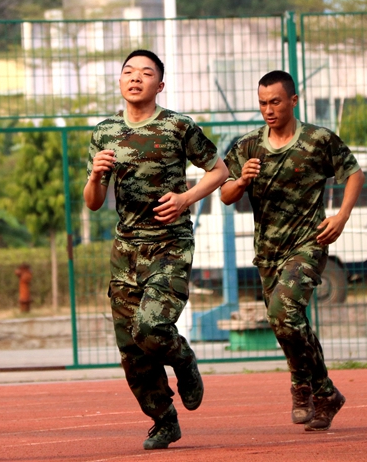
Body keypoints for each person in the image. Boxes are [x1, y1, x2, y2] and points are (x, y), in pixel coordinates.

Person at [84, 49, 229, 450]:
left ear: (159, 85)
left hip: (169, 245)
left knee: (151, 328)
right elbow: (93, 201)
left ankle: (183, 359)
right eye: (128, 72)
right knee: (132, 349)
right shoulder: (104, 133)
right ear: (120, 82)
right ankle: (163, 419)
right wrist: (96, 176)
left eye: (146, 73)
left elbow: (219, 171)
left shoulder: (177, 126)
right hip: (125, 251)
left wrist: (187, 198)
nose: (135, 78)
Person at [220, 70, 363, 432]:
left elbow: (354, 173)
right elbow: (224, 194)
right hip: (268, 251)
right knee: (287, 324)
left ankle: (301, 387)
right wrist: (241, 181)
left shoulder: (317, 140)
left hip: (308, 244)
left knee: (284, 313)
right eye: (262, 103)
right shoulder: (248, 145)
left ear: (293, 101)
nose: (268, 110)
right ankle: (325, 392)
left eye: (275, 102)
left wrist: (342, 216)